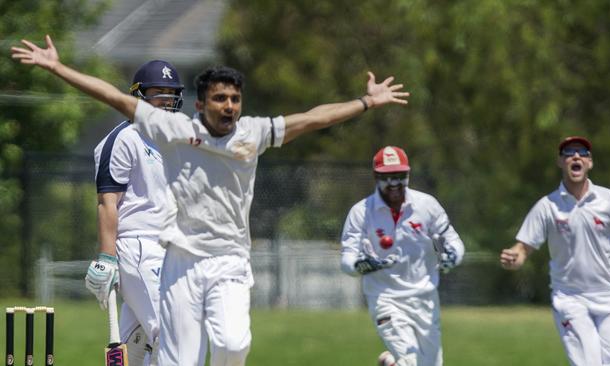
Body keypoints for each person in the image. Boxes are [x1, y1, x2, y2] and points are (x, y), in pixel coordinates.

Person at [11, 35, 410, 366]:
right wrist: (56, 68)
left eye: (235, 99)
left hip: (231, 260)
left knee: (234, 344)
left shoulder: (253, 133)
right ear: (201, 104)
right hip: (181, 260)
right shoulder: (174, 130)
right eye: (220, 99)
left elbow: (311, 118)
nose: (229, 107)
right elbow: (116, 99)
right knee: (176, 357)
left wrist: (366, 102)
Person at [500, 136, 610, 366]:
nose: (576, 156)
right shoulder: (547, 206)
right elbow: (522, 249)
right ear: (560, 162)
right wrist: (514, 258)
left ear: (590, 163)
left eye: (582, 153)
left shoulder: (609, 200)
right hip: (571, 299)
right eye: (569, 152)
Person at [84, 59, 184, 366]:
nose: (166, 101)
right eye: (159, 93)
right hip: (139, 246)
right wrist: (106, 257)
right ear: (138, 95)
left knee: (134, 348)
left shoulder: (175, 139)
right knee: (174, 333)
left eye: (171, 94)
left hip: (170, 248)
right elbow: (107, 202)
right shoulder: (122, 139)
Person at [340, 146, 465, 366]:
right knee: (410, 361)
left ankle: (391, 363)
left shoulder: (427, 205)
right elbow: (347, 261)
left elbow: (454, 242)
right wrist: (363, 265)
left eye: (400, 176)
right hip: (384, 298)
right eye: (387, 177)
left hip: (425, 298)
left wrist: (452, 257)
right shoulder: (361, 212)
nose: (394, 183)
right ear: (376, 177)